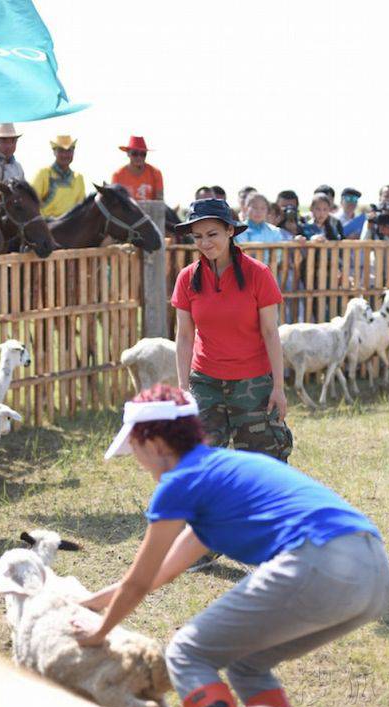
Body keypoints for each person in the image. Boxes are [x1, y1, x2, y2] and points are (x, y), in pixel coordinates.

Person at [72, 383, 389, 707]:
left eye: (135, 449)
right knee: (247, 665)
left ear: (156, 444)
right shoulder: (222, 474)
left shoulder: (180, 482)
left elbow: (139, 582)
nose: (137, 460)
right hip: (374, 574)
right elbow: (161, 573)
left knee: (186, 653)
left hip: (318, 560)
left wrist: (100, 632)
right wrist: (86, 604)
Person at [171, 197, 292, 462]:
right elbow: (184, 336)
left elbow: (271, 333)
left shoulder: (258, 274)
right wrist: (183, 387)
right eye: (198, 236)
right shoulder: (187, 278)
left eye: (212, 234)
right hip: (205, 383)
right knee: (198, 460)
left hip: (253, 383)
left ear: (230, 231)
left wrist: (279, 388)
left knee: (264, 464)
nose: (205, 243)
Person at [31, 135, 86, 219]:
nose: (65, 155)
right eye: (61, 151)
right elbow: (31, 202)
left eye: (69, 151)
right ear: (54, 152)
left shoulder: (78, 178)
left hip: (71, 226)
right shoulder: (44, 174)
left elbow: (82, 209)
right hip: (47, 226)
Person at [236, 192, 285, 264]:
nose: (258, 211)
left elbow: (278, 256)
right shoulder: (238, 230)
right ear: (246, 208)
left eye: (263, 208)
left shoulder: (274, 231)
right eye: (254, 207)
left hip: (269, 271)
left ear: (267, 211)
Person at [111, 135, 163, 201]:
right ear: (128, 153)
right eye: (135, 153)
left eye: (143, 154)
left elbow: (159, 201)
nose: (139, 157)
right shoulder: (117, 175)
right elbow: (115, 201)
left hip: (150, 211)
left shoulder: (156, 173)